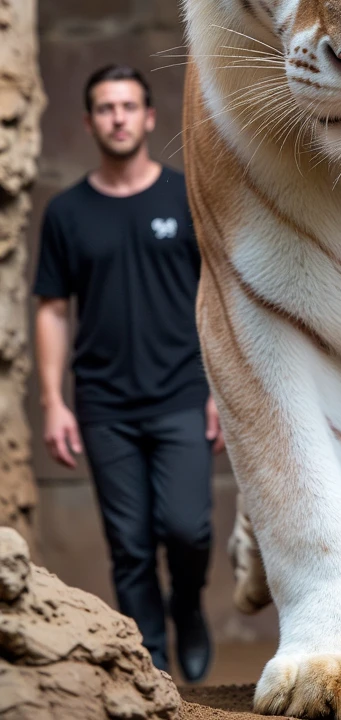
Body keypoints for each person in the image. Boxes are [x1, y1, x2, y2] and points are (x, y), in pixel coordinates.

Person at [33, 63, 223, 682]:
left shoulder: (183, 196)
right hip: (105, 405)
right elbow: (53, 310)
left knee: (188, 529)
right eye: (105, 108)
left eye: (128, 105)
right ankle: (152, 666)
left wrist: (222, 387)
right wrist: (55, 403)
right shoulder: (66, 214)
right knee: (131, 547)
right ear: (89, 122)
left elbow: (217, 293)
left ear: (149, 117)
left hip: (182, 393)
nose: (118, 117)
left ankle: (188, 609)